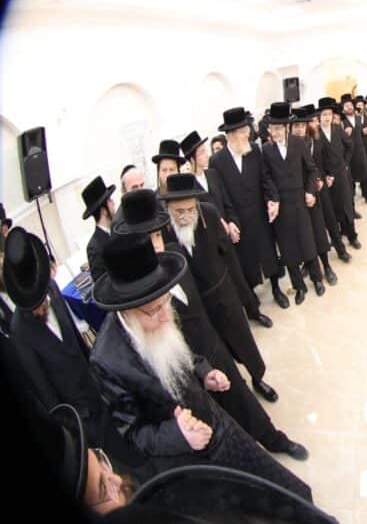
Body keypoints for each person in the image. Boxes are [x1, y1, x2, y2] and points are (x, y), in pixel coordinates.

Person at [90, 233, 312, 500]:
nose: (166, 316)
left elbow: (183, 355)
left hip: (218, 423)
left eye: (166, 301)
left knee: (280, 488)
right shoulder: (106, 360)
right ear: (127, 311)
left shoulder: (158, 312)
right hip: (187, 458)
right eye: (154, 310)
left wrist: (205, 373)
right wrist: (178, 435)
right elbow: (132, 433)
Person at [113, 189, 307, 460]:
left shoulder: (174, 257)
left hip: (211, 348)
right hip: (182, 379)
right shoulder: (133, 297)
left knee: (242, 399)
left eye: (157, 235)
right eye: (147, 239)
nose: (156, 245)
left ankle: (273, 438)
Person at [5, 227, 149, 474]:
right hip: (83, 421)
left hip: (102, 395)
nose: (40, 306)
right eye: (32, 304)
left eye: (40, 298)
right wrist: (76, 430)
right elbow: (47, 395)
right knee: (121, 475)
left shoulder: (53, 290)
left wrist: (102, 379)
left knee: (139, 455)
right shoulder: (20, 332)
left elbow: (79, 344)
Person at [159, 173, 279, 403]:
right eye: (179, 212)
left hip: (223, 294)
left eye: (190, 210)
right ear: (168, 208)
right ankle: (236, 389)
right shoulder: (164, 232)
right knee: (218, 354)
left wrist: (244, 296)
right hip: (198, 308)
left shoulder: (210, 214)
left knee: (243, 342)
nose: (185, 217)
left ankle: (258, 377)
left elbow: (229, 257)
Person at [182, 130, 272, 329]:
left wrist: (232, 223)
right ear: (192, 159)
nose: (206, 155)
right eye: (201, 153)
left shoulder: (212, 175)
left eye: (205, 151)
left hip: (228, 237)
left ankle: (254, 311)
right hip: (210, 243)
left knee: (239, 276)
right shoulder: (188, 186)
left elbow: (226, 202)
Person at [208, 107, 291, 310]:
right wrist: (229, 221)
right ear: (231, 135)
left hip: (260, 215)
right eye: (243, 131)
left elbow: (265, 178)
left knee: (269, 254)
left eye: (247, 130)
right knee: (246, 260)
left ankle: (276, 289)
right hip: (238, 219)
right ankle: (251, 296)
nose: (248, 134)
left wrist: (273, 199)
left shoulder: (254, 150)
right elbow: (220, 196)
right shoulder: (217, 161)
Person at [261, 102, 324, 303]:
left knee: (307, 242)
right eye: (272, 129)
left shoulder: (298, 142)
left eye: (278, 129)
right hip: (281, 206)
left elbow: (312, 170)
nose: (275, 133)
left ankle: (317, 279)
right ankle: (299, 287)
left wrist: (311, 191)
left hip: (300, 201)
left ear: (286, 127)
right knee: (288, 250)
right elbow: (266, 178)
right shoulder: (266, 150)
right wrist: (274, 199)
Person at [290, 106, 338, 288]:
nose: (299, 129)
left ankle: (327, 266)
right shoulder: (288, 146)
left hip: (312, 194)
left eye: (302, 125)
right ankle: (311, 267)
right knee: (304, 237)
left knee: (319, 232)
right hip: (296, 198)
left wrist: (315, 184)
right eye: (296, 126)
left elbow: (314, 168)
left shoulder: (311, 142)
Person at [317, 97, 361, 253]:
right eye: (324, 115)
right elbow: (317, 159)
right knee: (332, 210)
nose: (327, 117)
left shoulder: (337, 129)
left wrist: (346, 162)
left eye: (329, 114)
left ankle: (352, 236)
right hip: (328, 179)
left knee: (346, 206)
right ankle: (337, 237)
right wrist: (324, 175)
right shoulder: (316, 134)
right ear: (319, 117)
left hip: (342, 175)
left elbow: (350, 144)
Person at [83, 175, 117, 282]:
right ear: (103, 210)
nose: (113, 203)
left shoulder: (118, 230)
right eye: (109, 201)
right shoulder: (94, 247)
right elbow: (101, 283)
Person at [342, 94, 367, 200]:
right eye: (346, 106)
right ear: (343, 109)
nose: (349, 107)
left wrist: (364, 131)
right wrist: (344, 134)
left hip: (361, 151)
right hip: (349, 154)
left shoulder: (358, 117)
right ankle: (351, 200)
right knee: (350, 179)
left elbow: (361, 131)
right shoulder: (342, 122)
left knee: (364, 174)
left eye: (350, 105)